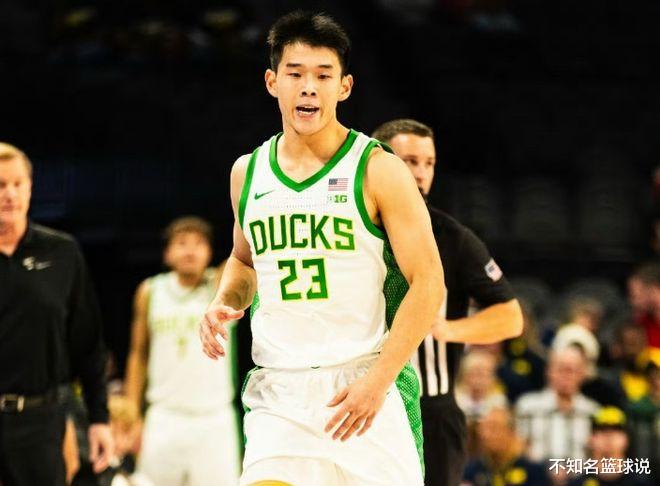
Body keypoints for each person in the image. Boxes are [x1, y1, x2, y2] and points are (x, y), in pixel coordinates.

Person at [199, 11, 446, 486]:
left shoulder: (378, 168)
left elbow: (429, 283)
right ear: (272, 82)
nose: (308, 87)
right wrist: (224, 300)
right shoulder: (247, 172)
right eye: (295, 74)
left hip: (364, 381)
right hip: (281, 393)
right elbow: (244, 261)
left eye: (323, 75)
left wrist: (379, 381)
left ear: (344, 87)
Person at [371, 118, 523, 486]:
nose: (421, 173)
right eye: (410, 161)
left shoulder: (453, 237)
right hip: (363, 401)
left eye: (429, 163)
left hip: (432, 411)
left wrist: (445, 329)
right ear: (378, 163)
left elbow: (511, 317)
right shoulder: (353, 228)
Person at [0, 142, 113, 485]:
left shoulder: (62, 252)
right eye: (1, 185)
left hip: (40, 422)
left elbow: (88, 344)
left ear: (30, 188)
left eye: (17, 184)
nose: (10, 194)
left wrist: (99, 418)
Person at [124, 216, 240, 485]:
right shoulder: (150, 290)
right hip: (164, 415)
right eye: (181, 243)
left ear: (209, 252)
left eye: (199, 243)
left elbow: (247, 253)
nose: (190, 250)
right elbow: (138, 354)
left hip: (214, 419)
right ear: (167, 253)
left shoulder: (222, 286)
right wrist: (131, 413)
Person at [515, 346, 600, 462]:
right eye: (560, 369)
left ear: (582, 374)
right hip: (537, 471)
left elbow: (596, 455)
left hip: (578, 472)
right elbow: (518, 449)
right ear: (549, 371)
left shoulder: (593, 412)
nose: (566, 376)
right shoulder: (527, 406)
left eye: (571, 370)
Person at [462, 407, 551, 486]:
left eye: (494, 428)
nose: (487, 435)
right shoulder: (470, 472)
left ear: (511, 432)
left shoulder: (532, 472)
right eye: (484, 429)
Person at [567, 406, 652, 486]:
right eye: (602, 430)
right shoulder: (578, 483)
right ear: (590, 438)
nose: (609, 436)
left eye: (616, 430)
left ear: (626, 439)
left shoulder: (641, 482)